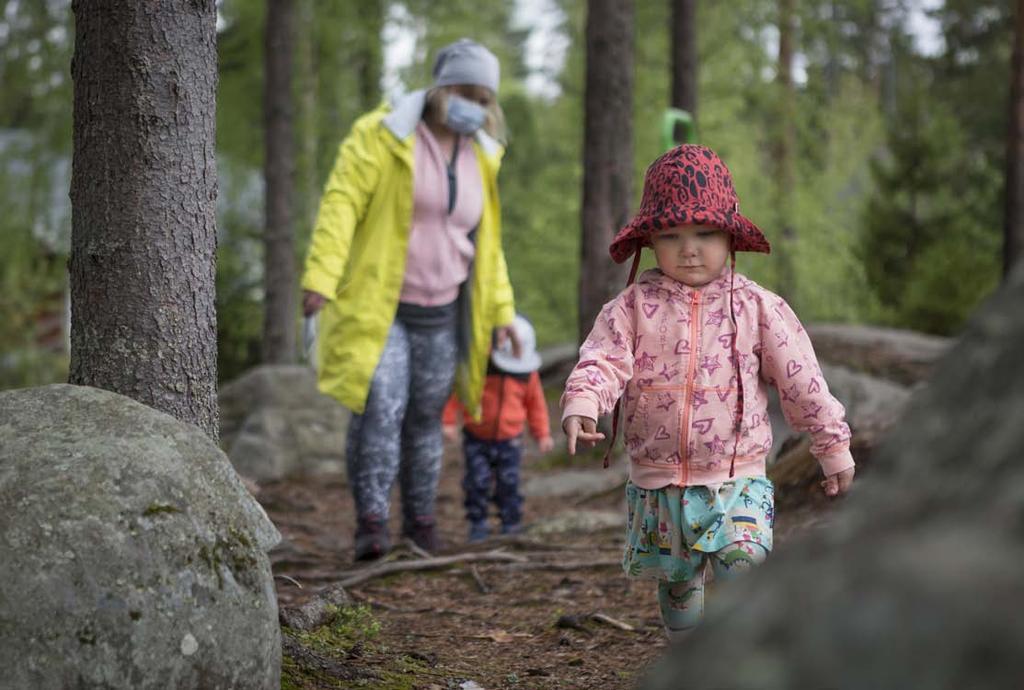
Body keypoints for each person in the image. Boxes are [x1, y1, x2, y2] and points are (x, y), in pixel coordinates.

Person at [560, 144, 856, 639]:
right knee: (678, 590)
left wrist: (833, 447)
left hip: (737, 476)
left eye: (704, 233)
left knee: (744, 566)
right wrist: (584, 403)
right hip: (660, 485)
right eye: (672, 235)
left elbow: (803, 380)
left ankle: (742, 658)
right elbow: (602, 360)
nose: (689, 248)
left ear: (730, 236)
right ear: (650, 241)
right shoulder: (632, 308)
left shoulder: (758, 308)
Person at [300, 38, 520, 562]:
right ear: (441, 89)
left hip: (445, 313)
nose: (475, 106)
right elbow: (340, 205)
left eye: (484, 97)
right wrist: (321, 277)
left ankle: (421, 523)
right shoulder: (383, 136)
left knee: (426, 417)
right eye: (465, 92)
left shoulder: (483, 156)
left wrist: (503, 311)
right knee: (379, 404)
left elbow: (486, 243)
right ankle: (372, 523)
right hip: (384, 307)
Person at [442, 314, 554, 542]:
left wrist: (542, 434)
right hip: (476, 437)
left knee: (509, 483)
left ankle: (511, 524)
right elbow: (457, 392)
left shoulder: (527, 376)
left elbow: (536, 405)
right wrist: (448, 421)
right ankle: (478, 524)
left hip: (510, 439)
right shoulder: (480, 368)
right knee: (476, 482)